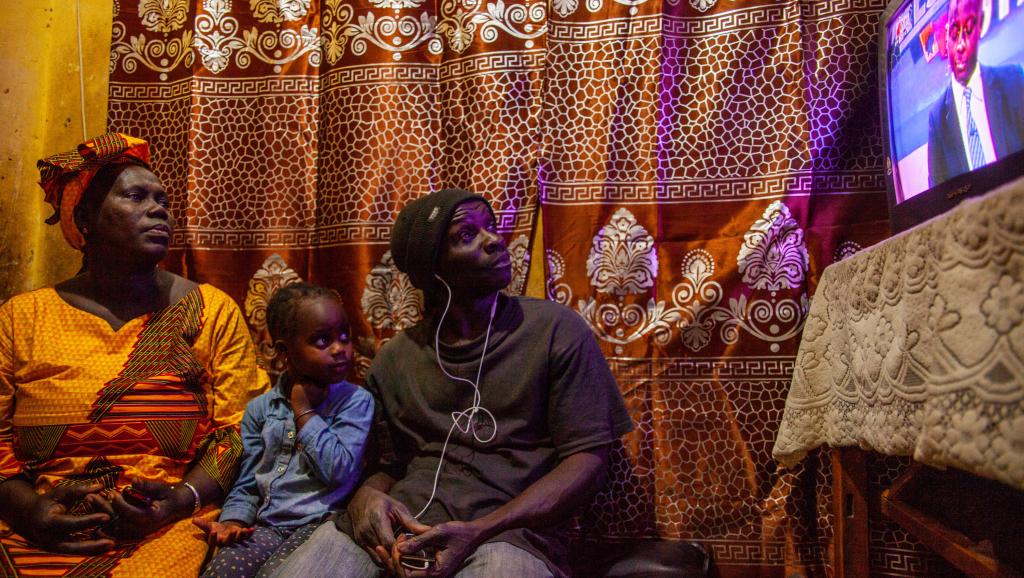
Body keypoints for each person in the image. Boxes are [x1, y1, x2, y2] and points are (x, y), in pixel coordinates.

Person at [268, 189, 634, 578]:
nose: (494, 241)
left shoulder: (555, 331)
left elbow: (588, 461)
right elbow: (387, 465)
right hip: (402, 528)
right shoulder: (395, 359)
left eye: (490, 227)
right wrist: (366, 498)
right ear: (432, 270)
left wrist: (482, 530)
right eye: (466, 235)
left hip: (508, 534)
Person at [0, 133, 268, 577]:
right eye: (135, 196)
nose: (159, 209)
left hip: (165, 528)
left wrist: (179, 500)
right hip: (33, 524)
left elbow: (239, 431)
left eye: (163, 200)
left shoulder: (211, 311)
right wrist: (28, 511)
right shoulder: (20, 318)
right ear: (84, 218)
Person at [195, 282, 374, 578]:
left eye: (345, 336)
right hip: (267, 525)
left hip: (322, 526)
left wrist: (304, 411)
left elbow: (339, 471)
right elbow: (248, 481)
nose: (340, 349)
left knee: (280, 574)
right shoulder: (260, 409)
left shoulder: (356, 401)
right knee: (221, 570)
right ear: (283, 351)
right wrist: (233, 520)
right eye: (322, 341)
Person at [927, 0, 1024, 187]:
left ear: (980, 27)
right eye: (954, 32)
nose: (960, 45)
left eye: (969, 29)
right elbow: (937, 193)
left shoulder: (1013, 80)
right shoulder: (937, 118)